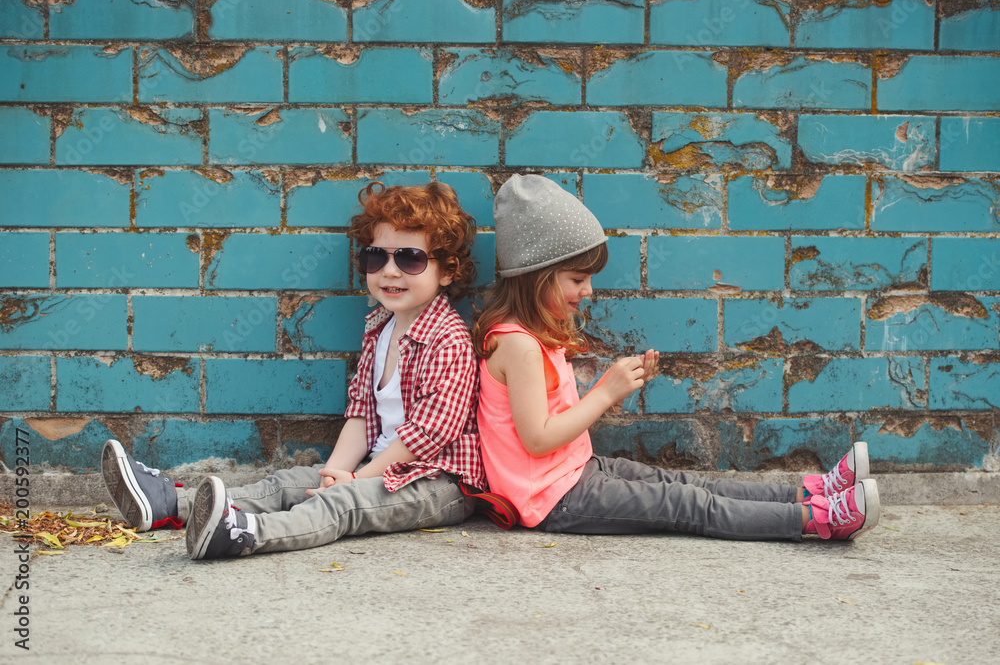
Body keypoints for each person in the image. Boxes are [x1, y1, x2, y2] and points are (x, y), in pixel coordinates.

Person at [472, 174, 880, 542]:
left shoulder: (534, 338)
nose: (590, 290)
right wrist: (604, 394)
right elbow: (538, 439)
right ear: (535, 276)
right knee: (686, 504)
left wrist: (617, 386)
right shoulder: (518, 345)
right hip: (551, 499)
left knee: (688, 483)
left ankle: (808, 493)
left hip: (575, 471)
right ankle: (818, 519)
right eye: (578, 279)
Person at [102, 180, 488, 559]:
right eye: (376, 257)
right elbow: (361, 415)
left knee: (341, 503)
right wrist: (333, 473)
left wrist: (353, 481)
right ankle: (169, 504)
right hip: (380, 469)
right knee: (289, 483)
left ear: (447, 271)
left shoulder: (448, 338)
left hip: (437, 481)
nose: (389, 271)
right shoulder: (380, 327)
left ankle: (244, 534)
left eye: (409, 258)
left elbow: (427, 436)